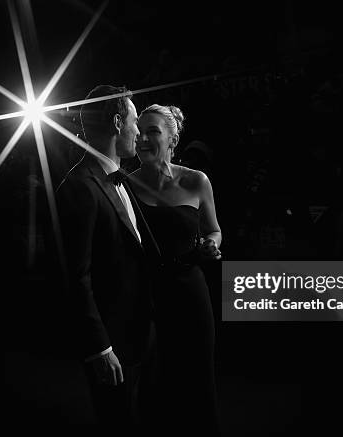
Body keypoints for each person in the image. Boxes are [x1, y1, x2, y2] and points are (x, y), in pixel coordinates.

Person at [55, 85, 160, 433]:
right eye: (133, 122)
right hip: (113, 344)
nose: (137, 132)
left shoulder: (120, 178)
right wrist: (99, 348)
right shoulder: (79, 187)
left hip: (141, 333)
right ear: (117, 122)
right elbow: (75, 276)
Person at [129, 104, 222, 434]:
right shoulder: (123, 186)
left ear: (172, 138)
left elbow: (213, 229)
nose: (142, 138)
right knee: (155, 386)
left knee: (198, 383)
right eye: (139, 131)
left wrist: (212, 244)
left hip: (191, 294)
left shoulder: (197, 181)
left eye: (152, 131)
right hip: (148, 298)